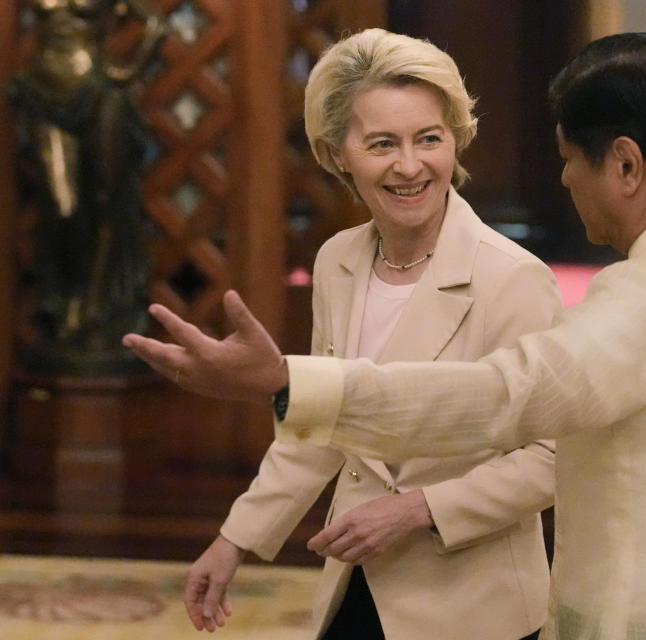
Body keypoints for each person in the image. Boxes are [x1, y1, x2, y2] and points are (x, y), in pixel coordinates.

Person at [124, 32, 646, 640]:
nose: (563, 179)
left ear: (623, 163)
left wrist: (287, 382)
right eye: (381, 143)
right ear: (340, 153)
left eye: (567, 159)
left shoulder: (640, 297)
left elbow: (502, 399)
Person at [168, 29, 559, 640]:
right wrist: (233, 539)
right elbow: (322, 422)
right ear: (336, 153)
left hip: (471, 607)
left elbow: (552, 459)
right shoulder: (337, 261)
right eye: (382, 143)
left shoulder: (513, 277)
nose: (410, 165)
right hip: (357, 582)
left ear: (455, 139)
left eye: (429, 138)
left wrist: (419, 510)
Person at [6, 0, 165, 366]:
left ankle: (91, 304)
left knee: (106, 200)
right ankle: (65, 299)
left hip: (96, 92)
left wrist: (127, 72)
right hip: (45, 92)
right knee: (63, 207)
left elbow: (156, 25)